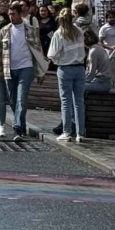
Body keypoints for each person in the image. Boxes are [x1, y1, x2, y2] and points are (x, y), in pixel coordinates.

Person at [0, 2, 47, 141]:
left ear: (20, 14)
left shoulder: (30, 30)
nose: (10, 16)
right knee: (13, 101)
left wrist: (40, 72)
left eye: (13, 14)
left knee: (21, 98)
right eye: (9, 14)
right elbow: (0, 52)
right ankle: (22, 124)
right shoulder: (5, 30)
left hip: (26, 67)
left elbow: (38, 51)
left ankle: (17, 128)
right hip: (9, 68)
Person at [48, 11, 90, 143]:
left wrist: (59, 60)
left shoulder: (59, 33)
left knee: (66, 102)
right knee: (79, 102)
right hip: (79, 68)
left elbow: (52, 54)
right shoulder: (78, 31)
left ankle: (67, 132)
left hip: (65, 68)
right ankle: (80, 133)